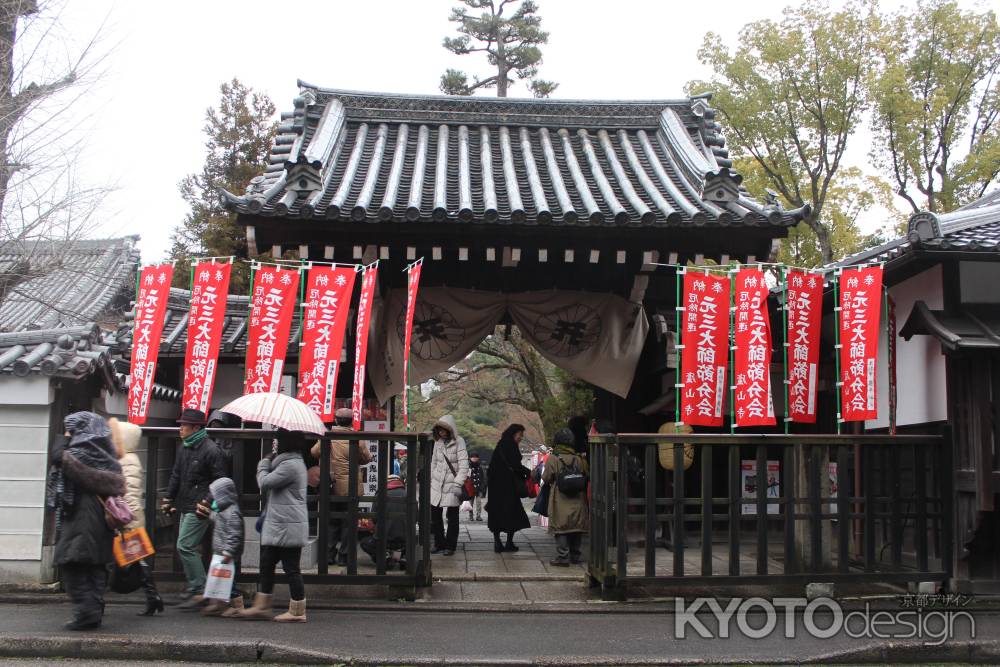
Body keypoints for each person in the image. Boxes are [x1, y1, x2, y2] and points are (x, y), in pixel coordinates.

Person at [48, 412, 125, 630]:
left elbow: (58, 457)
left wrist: (64, 437)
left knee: (73, 564)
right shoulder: (107, 456)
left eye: (73, 430)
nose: (70, 434)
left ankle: (87, 613)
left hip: (82, 517)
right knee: (95, 566)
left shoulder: (80, 454)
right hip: (99, 519)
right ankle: (94, 611)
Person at [240, 429, 309, 622]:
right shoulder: (290, 462)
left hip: (287, 526)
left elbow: (264, 482)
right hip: (281, 524)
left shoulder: (290, 465)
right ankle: (262, 605)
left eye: (278, 440)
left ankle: (297, 611)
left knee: (291, 568)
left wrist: (263, 463)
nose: (275, 444)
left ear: (287, 442)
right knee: (267, 563)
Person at [161, 408, 226, 609]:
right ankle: (197, 587)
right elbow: (176, 475)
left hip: (199, 506)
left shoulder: (211, 450)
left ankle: (200, 589)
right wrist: (168, 498)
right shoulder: (185, 447)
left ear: (196, 427)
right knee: (186, 546)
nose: (180, 428)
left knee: (185, 546)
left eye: (184, 425)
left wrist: (206, 502)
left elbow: (220, 480)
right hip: (186, 502)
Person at [109, 417, 162, 616]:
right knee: (137, 559)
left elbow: (129, 495)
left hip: (127, 519)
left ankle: (153, 597)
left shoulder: (126, 461)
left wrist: (127, 523)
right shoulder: (128, 459)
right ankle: (153, 598)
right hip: (129, 517)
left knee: (135, 560)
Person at [308, 407, 371, 565]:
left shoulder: (327, 436)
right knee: (349, 523)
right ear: (351, 422)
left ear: (336, 420)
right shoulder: (357, 437)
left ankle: (329, 555)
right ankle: (345, 556)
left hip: (332, 485)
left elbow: (314, 452)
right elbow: (366, 458)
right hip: (351, 487)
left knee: (331, 521)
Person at [542, 428, 590, 566]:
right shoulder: (579, 459)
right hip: (578, 498)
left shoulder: (553, 458)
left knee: (561, 527)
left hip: (560, 499)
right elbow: (587, 475)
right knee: (576, 526)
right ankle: (575, 555)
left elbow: (546, 478)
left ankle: (563, 557)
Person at [200, 477, 245, 617]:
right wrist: (206, 512)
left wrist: (229, 552)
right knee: (220, 580)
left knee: (230, 583)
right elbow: (214, 518)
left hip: (229, 555)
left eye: (215, 495)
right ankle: (220, 605)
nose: (213, 498)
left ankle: (237, 606)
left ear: (223, 495)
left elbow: (235, 534)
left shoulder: (232, 512)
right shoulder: (222, 510)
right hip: (220, 553)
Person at [486, 424, 531, 553]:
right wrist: (529, 472)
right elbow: (516, 465)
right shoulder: (511, 445)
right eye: (520, 434)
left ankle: (497, 542)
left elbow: (492, 467)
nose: (521, 437)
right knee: (512, 512)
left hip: (495, 487)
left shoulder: (500, 444)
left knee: (496, 513)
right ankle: (509, 543)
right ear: (513, 433)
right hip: (508, 486)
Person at [428, 415, 468, 556]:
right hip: (437, 483)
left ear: (450, 429)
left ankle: (450, 545)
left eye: (444, 430)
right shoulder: (438, 442)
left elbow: (464, 465)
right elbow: (433, 462)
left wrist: (458, 483)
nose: (441, 432)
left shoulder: (459, 441)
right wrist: (433, 477)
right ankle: (439, 543)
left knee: (452, 516)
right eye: (439, 430)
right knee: (435, 515)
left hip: (452, 483)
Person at [467, 452, 487, 521]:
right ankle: (471, 516)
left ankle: (478, 516)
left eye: (476, 457)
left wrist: (483, 487)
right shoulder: (468, 467)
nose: (474, 458)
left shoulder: (480, 467)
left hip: (478, 487)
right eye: (473, 457)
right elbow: (467, 477)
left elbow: (483, 477)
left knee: (479, 503)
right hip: (471, 488)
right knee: (470, 503)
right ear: (470, 458)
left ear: (478, 458)